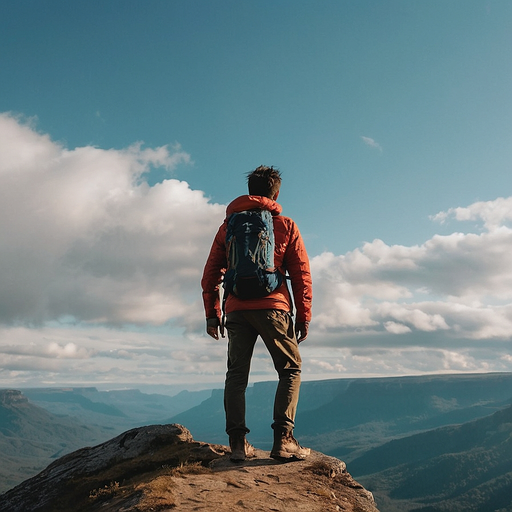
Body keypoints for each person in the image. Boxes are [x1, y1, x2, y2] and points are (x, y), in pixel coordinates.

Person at [201, 165, 313, 462]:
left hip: (236, 309)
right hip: (274, 308)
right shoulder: (286, 225)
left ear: (250, 192)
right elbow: (301, 275)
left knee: (236, 375)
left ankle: (238, 445)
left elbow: (211, 274)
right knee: (289, 370)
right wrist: (304, 316)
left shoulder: (228, 227)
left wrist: (212, 314)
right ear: (276, 193)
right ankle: (284, 441)